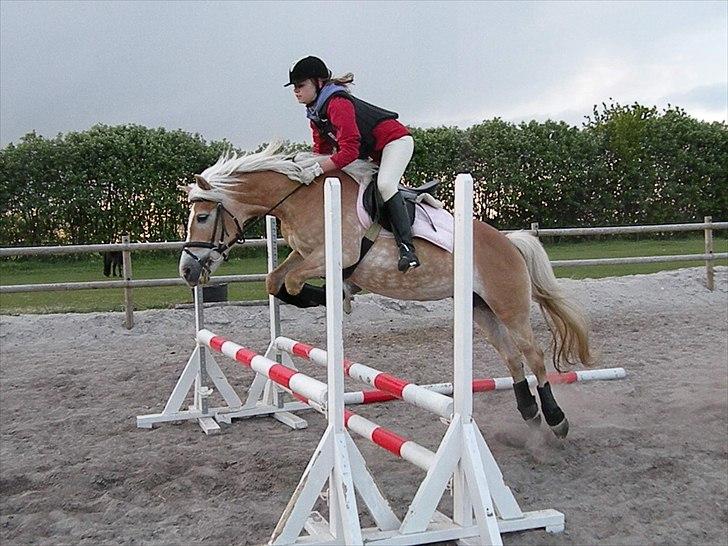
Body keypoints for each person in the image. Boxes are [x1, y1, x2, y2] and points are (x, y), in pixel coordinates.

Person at [285, 55, 420, 272]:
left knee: (385, 185)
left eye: (301, 85)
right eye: (294, 87)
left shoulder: (338, 104)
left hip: (395, 142)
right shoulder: (315, 113)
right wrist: (308, 166)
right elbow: (322, 151)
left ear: (318, 83)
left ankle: (407, 248)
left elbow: (349, 151)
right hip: (373, 153)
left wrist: (317, 168)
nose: (296, 91)